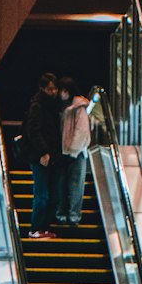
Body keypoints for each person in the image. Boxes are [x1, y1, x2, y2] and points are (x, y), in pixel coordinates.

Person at [23, 71, 63, 240]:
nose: (53, 92)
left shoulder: (51, 106)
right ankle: (36, 227)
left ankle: (44, 227)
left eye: (55, 89)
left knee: (52, 194)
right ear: (42, 88)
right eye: (50, 89)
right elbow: (34, 131)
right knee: (42, 194)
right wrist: (43, 152)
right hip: (41, 156)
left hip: (51, 156)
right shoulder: (37, 106)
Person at [55, 77, 90, 228]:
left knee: (75, 184)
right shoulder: (63, 107)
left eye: (63, 90)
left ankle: (73, 215)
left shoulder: (78, 107)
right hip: (64, 151)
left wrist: (72, 150)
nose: (60, 93)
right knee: (62, 183)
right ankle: (64, 213)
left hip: (76, 152)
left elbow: (82, 131)